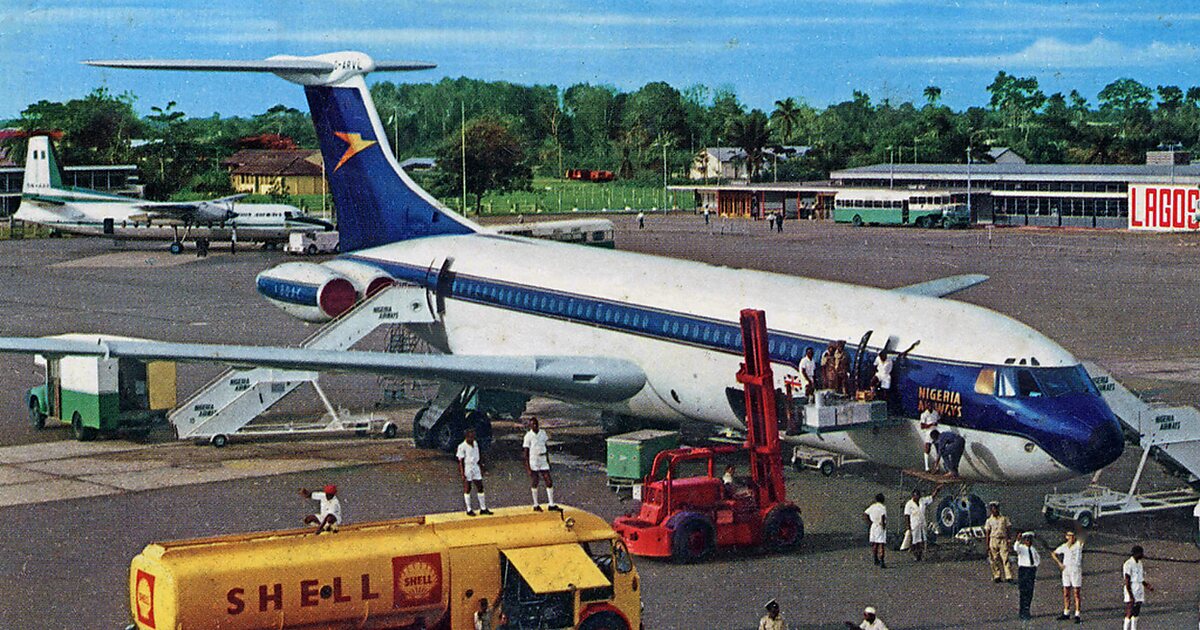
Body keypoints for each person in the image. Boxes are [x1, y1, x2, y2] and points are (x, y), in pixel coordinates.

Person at [523, 417, 560, 512]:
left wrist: (548, 460)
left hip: (542, 458)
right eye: (533, 425)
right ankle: (536, 504)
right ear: (530, 426)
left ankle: (551, 504)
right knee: (535, 480)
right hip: (534, 459)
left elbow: (545, 446)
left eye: (536, 424)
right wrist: (528, 467)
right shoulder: (528, 436)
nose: (535, 426)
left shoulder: (543, 433)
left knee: (548, 479)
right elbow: (526, 452)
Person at [457, 427, 492, 516]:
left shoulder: (475, 444)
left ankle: (483, 508)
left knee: (480, 486)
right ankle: (469, 509)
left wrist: (482, 467)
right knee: (468, 488)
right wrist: (462, 473)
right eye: (470, 437)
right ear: (466, 437)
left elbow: (478, 456)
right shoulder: (462, 446)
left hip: (475, 466)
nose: (472, 439)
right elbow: (460, 461)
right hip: (468, 467)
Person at [1052, 530, 1083, 623]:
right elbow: (1054, 553)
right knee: (1066, 592)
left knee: (1076, 592)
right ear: (1066, 537)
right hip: (1066, 571)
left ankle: (1077, 614)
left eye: (1073, 536)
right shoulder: (1064, 546)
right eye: (1069, 536)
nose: (1071, 538)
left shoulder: (1078, 545)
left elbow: (1083, 536)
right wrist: (1059, 564)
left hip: (1075, 570)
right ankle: (1066, 612)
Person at [903, 485, 941, 561]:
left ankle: (920, 555)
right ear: (913, 496)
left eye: (918, 496)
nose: (917, 498)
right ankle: (915, 555)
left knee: (923, 540)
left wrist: (937, 490)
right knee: (915, 541)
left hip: (922, 523)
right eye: (916, 496)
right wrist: (908, 527)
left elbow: (931, 497)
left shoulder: (922, 500)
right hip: (914, 524)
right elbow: (907, 515)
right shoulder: (909, 504)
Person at [984, 501, 1015, 583]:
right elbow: (987, 532)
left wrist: (1009, 539)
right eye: (992, 509)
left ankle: (1008, 576)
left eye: (995, 509)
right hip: (993, 540)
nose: (993, 511)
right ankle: (996, 575)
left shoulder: (1004, 519)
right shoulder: (989, 520)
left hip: (1002, 540)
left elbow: (1008, 529)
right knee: (994, 559)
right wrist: (987, 544)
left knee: (1005, 558)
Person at [1123, 545, 1152, 630]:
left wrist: (1146, 585)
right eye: (1141, 553)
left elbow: (1140, 578)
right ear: (1136, 554)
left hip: (1139, 588)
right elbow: (1127, 580)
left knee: (1136, 611)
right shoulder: (1128, 564)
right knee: (1130, 610)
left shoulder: (1139, 563)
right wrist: (1130, 595)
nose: (1142, 555)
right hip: (1132, 587)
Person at [1014, 531, 1040, 623]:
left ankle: (1027, 610)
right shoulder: (1021, 548)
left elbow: (1037, 558)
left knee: (1030, 592)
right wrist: (1017, 540)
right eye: (1027, 539)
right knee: (1023, 591)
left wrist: (1035, 566)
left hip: (1031, 570)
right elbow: (1015, 549)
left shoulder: (1033, 549)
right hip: (1023, 570)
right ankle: (1022, 611)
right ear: (1024, 540)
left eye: (1030, 539)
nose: (1029, 541)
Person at [862, 493, 888, 568]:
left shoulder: (872, 506)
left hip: (873, 526)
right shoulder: (883, 507)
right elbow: (883, 516)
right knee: (881, 543)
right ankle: (882, 560)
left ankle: (875, 559)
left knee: (875, 543)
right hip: (880, 525)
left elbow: (865, 514)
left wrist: (869, 522)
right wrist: (883, 526)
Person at [919, 407, 941, 471]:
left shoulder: (935, 413)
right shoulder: (924, 414)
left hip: (935, 431)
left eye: (932, 405)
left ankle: (937, 466)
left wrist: (937, 422)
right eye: (929, 405)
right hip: (928, 432)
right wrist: (931, 424)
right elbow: (922, 426)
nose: (930, 407)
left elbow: (938, 419)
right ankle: (926, 467)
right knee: (927, 448)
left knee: (938, 448)